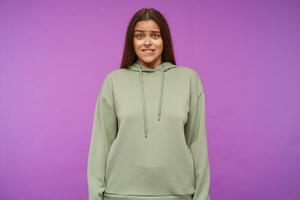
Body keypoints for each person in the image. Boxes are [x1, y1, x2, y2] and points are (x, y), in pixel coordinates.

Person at [87, 8, 211, 200]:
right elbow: (101, 144)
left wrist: (202, 196)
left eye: (155, 35)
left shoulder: (188, 79)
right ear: (131, 41)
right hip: (120, 194)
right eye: (139, 36)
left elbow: (197, 144)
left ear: (164, 40)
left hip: (179, 194)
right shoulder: (114, 81)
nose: (147, 42)